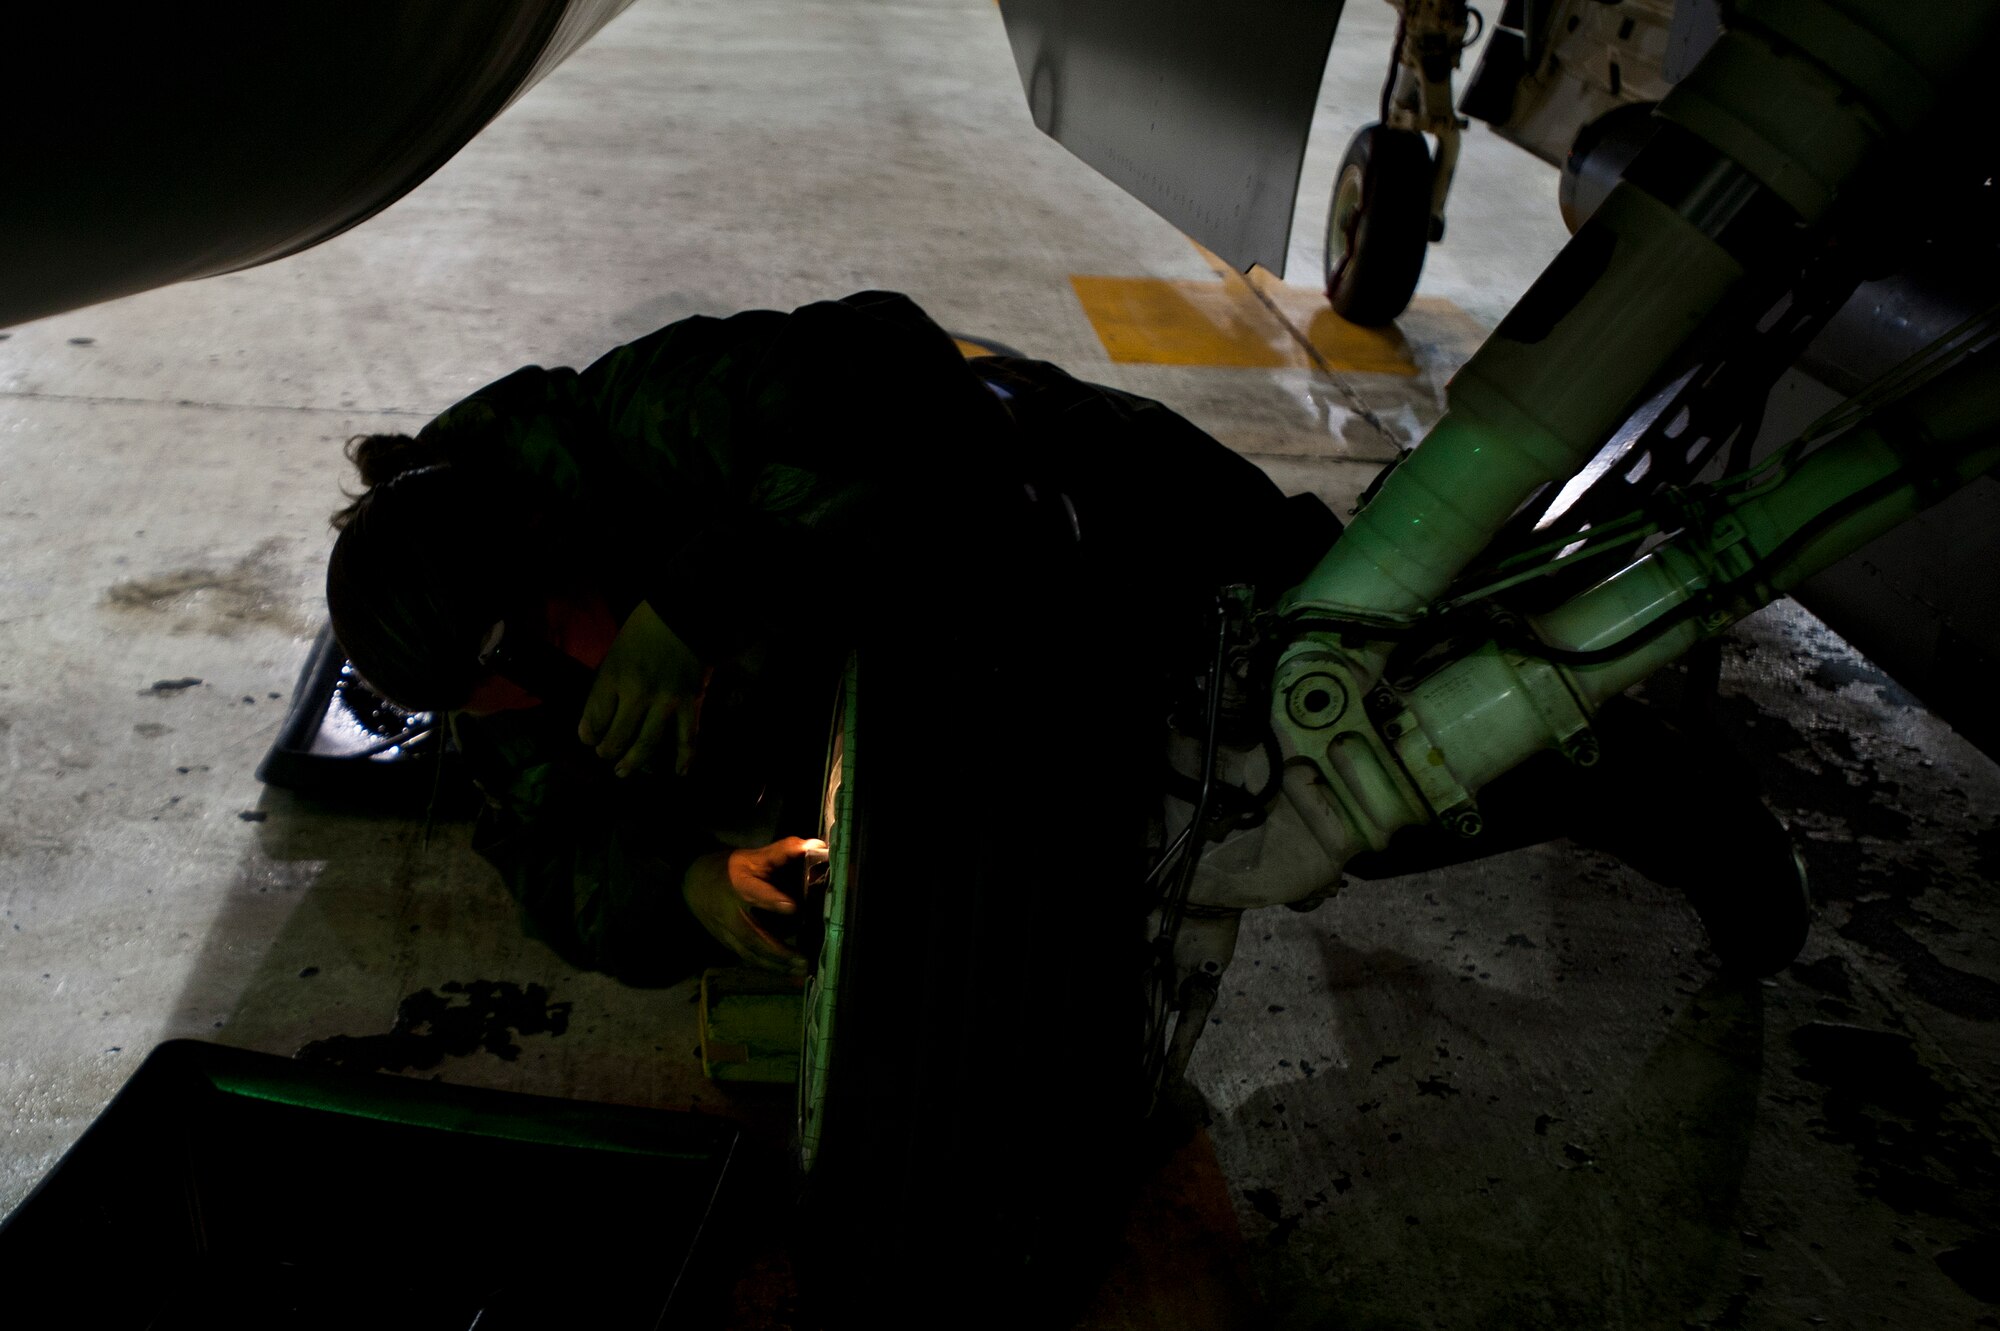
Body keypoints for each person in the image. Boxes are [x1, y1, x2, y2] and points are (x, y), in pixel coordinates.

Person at [325, 291, 1332, 984]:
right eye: (514, 696)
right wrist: (686, 887)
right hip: (967, 668)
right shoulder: (482, 663)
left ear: (542, 539)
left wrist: (689, 605)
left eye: (553, 635)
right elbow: (545, 855)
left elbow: (889, 369)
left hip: (1078, 490)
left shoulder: (632, 422)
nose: (573, 682)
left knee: (1325, 639)